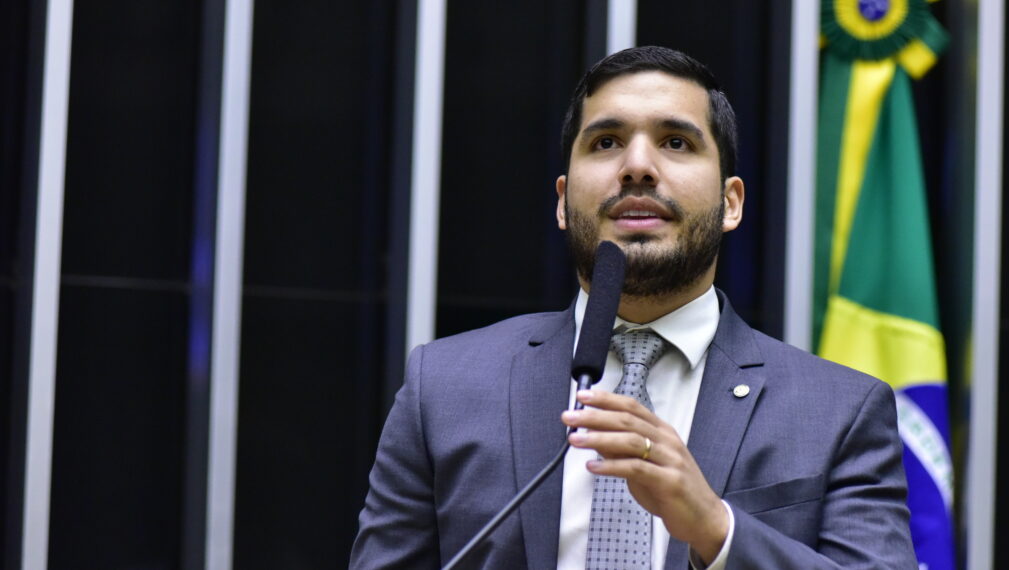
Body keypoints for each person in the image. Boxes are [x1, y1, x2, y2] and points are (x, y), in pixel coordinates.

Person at [349, 46, 916, 569]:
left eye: (676, 142)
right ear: (564, 203)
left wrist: (718, 530)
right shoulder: (442, 387)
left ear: (731, 203)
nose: (637, 166)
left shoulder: (842, 411)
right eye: (606, 142)